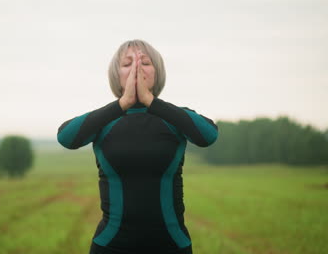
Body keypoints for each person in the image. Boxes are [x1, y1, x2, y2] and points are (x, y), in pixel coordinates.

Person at [57, 39, 219, 254]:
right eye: (127, 64)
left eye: (145, 62)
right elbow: (66, 137)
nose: (136, 69)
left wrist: (151, 102)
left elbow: (208, 135)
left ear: (157, 72)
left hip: (171, 245)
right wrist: (122, 104)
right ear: (117, 75)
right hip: (111, 246)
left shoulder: (174, 117)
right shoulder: (105, 119)